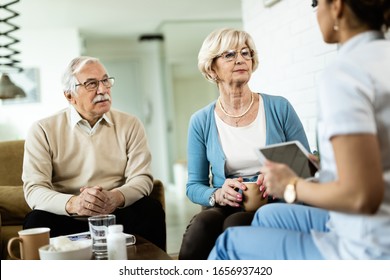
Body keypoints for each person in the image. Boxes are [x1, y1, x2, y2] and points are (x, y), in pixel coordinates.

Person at [209, 0, 390, 260]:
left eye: (316, 3)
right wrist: (323, 168)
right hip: (366, 222)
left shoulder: (345, 73)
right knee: (267, 215)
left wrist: (290, 185)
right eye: (230, 55)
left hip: (366, 245)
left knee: (229, 243)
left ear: (337, 6)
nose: (316, 12)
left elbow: (361, 195)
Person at [178, 28, 310, 260]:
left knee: (235, 224)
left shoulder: (280, 108)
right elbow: (194, 185)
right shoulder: (201, 120)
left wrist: (278, 180)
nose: (240, 59)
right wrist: (218, 194)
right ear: (212, 67)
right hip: (226, 202)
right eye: (229, 55)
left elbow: (307, 168)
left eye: (246, 53)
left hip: (273, 202)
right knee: (201, 226)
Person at [22, 56, 166, 251]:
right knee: (36, 221)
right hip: (67, 215)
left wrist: (116, 197)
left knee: (151, 209)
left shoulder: (130, 124)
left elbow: (142, 178)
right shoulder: (42, 129)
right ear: (69, 96)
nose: (103, 90)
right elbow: (34, 189)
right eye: (91, 84)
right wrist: (73, 204)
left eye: (105, 80)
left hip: (116, 213)